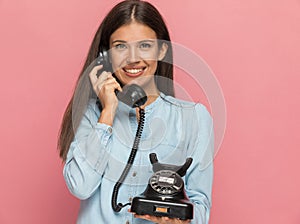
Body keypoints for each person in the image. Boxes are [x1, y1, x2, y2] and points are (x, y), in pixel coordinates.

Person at [57, 0, 214, 223]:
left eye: (145, 46)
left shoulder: (193, 119)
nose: (133, 58)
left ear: (161, 50)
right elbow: (80, 187)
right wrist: (108, 112)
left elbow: (201, 208)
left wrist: (179, 218)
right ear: (106, 55)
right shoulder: (93, 114)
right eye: (120, 46)